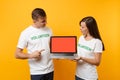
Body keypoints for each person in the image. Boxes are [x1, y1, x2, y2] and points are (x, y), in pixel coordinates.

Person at [15, 8, 54, 80]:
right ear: (34, 21)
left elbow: (52, 47)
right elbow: (17, 54)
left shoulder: (49, 30)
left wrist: (59, 54)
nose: (46, 23)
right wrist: (31, 55)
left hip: (50, 69)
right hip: (36, 72)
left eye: (46, 20)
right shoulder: (26, 33)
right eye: (43, 21)